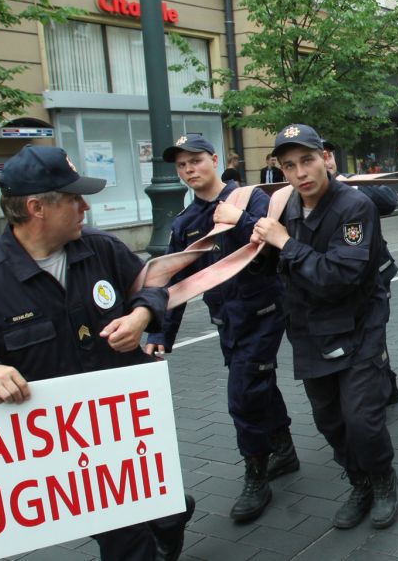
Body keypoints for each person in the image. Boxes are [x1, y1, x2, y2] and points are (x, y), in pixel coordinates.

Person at [0, 145, 195, 561]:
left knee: (161, 505)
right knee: (121, 537)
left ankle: (169, 519)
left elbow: (148, 286)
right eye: (74, 199)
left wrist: (140, 315)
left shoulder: (101, 248)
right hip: (65, 440)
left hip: (125, 425)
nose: (85, 207)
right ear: (36, 207)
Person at [251, 124, 398, 530]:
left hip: (358, 325)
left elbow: (339, 276)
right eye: (290, 166)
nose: (301, 173)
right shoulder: (285, 207)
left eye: (307, 160)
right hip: (310, 331)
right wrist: (262, 244)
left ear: (325, 159)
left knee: (362, 419)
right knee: (329, 421)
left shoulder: (354, 207)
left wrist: (285, 243)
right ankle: (359, 483)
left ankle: (383, 480)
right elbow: (269, 264)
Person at [145, 134, 296, 523]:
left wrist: (239, 220)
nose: (189, 170)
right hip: (227, 321)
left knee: (243, 394)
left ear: (214, 159)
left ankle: (256, 475)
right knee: (259, 384)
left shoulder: (250, 199)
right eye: (181, 165)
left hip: (263, 312)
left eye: (195, 160)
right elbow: (174, 280)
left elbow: (276, 246)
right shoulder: (186, 222)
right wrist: (161, 334)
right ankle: (284, 449)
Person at [322, 138, 398, 403]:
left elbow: (389, 201)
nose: (325, 159)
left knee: (375, 333)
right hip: (337, 282)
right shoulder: (304, 196)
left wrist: (351, 186)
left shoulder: (353, 182)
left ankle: (385, 387)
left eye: (327, 154)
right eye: (317, 155)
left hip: (375, 275)